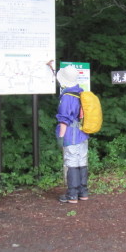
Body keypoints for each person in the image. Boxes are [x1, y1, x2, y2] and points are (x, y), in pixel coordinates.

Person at [55, 64, 89, 204]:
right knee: (82, 161)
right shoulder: (81, 92)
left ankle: (72, 195)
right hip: (83, 133)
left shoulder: (67, 97)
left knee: (71, 162)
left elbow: (64, 120)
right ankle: (83, 193)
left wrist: (61, 137)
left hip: (71, 134)